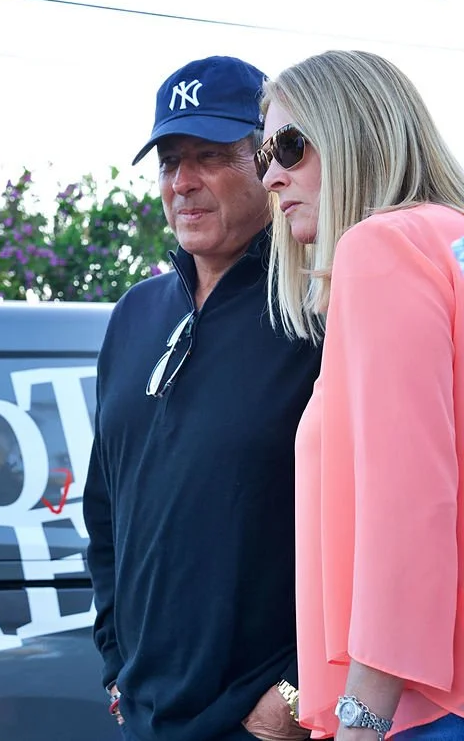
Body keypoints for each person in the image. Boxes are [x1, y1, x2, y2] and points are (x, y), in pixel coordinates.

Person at [83, 55, 322, 741]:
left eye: (212, 157)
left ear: (266, 158)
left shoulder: (320, 309)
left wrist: (298, 691)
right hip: (147, 717)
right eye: (169, 161)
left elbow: (383, 527)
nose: (182, 182)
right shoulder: (134, 315)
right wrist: (115, 663)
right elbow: (106, 506)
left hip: (265, 723)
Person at [259, 49, 464, 740]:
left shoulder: (381, 247)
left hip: (420, 709)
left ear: (356, 130)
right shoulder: (450, 242)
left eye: (290, 145)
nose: (270, 175)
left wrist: (362, 719)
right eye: (264, 154)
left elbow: (409, 502)